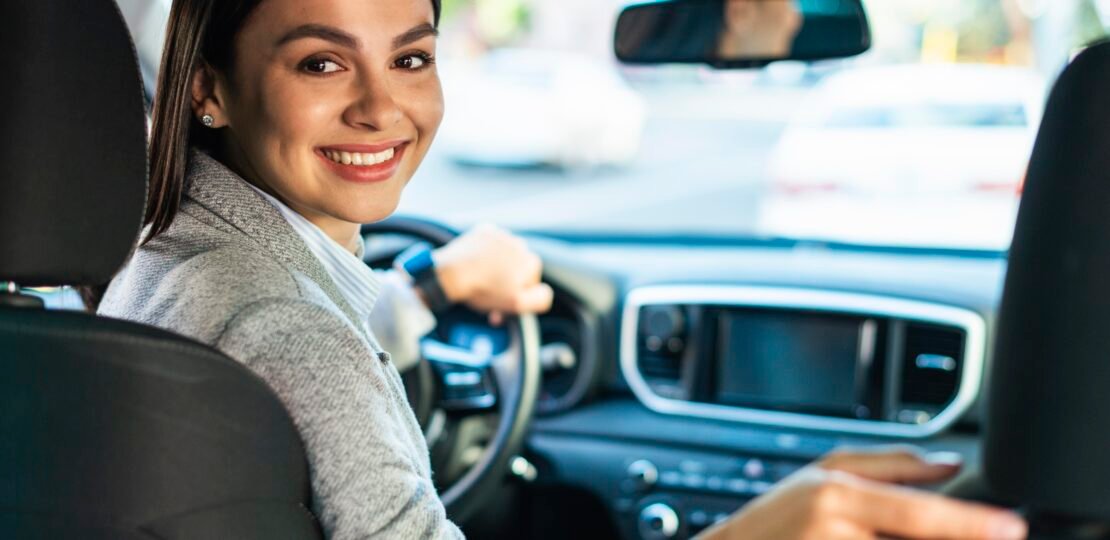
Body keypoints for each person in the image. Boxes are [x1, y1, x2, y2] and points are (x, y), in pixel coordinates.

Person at [97, 0, 1029, 538]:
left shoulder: (163, 264)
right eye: (321, 64)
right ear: (207, 89)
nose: (384, 108)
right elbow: (303, 353)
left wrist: (432, 290)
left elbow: (299, 359)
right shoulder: (286, 327)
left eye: (411, 56)